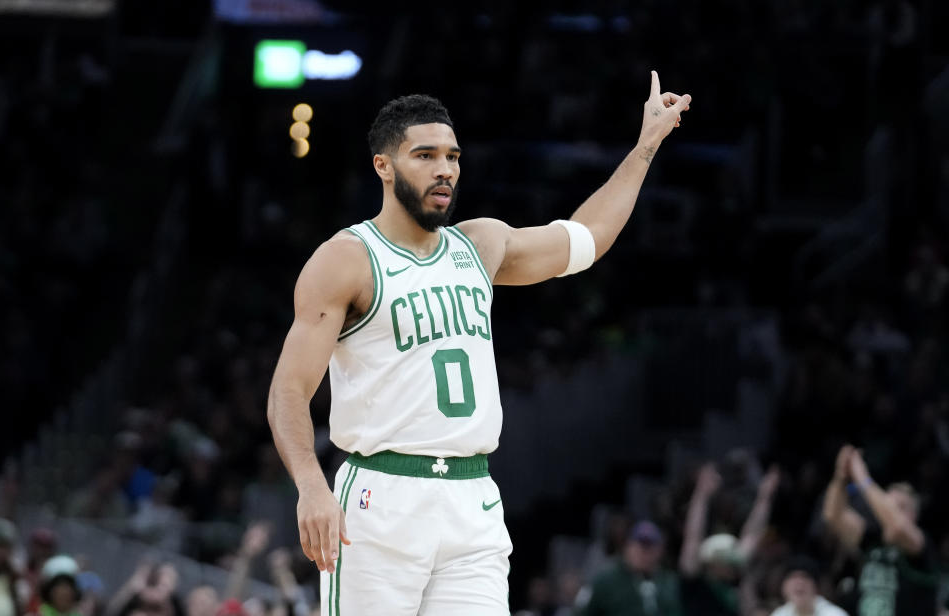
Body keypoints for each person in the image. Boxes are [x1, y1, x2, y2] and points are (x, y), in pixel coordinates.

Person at [267, 73, 692, 615]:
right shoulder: (347, 258)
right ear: (384, 165)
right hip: (381, 496)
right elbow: (288, 392)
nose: (445, 169)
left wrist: (645, 147)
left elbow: (587, 238)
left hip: (473, 497)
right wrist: (310, 486)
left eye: (453, 156)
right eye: (425, 155)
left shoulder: (481, 243)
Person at [821, 445, 937, 616]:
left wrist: (863, 479)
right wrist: (841, 477)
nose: (889, 511)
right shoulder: (872, 539)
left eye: (900, 507)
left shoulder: (921, 545)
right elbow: (833, 515)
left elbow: (897, 528)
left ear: (913, 515)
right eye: (887, 506)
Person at [678, 463, 780, 616]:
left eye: (730, 559)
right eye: (721, 558)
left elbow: (752, 535)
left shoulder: (737, 584)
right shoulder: (695, 581)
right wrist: (701, 495)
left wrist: (764, 497)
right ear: (709, 562)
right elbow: (693, 537)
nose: (727, 564)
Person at [577, 520, 682, 616]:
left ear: (660, 551)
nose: (644, 553)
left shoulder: (670, 582)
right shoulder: (606, 580)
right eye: (640, 546)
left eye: (650, 547)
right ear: (628, 547)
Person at [770, 556, 848, 616]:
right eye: (793, 577)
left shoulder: (834, 614)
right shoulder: (780, 613)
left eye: (805, 577)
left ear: (816, 586)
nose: (799, 583)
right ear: (783, 586)